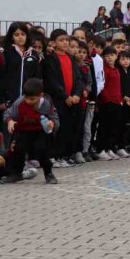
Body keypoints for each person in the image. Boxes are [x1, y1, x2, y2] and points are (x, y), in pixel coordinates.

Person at [3, 79, 60, 185]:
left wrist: (52, 123)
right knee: (17, 149)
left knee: (42, 150)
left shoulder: (47, 104)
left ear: (40, 95)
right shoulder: (19, 103)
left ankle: (48, 173)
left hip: (40, 131)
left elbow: (55, 119)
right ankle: (16, 173)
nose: (28, 101)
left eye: (32, 99)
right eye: (26, 98)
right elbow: (8, 113)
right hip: (24, 131)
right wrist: (9, 121)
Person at [41, 29, 84, 167]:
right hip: (58, 100)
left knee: (68, 127)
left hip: (72, 100)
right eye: (61, 40)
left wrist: (77, 94)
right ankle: (53, 156)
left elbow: (78, 79)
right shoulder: (50, 60)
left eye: (66, 40)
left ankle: (64, 155)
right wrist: (65, 96)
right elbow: (52, 82)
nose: (65, 42)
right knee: (57, 127)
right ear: (53, 43)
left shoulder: (71, 58)